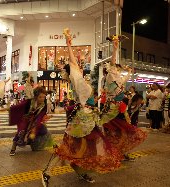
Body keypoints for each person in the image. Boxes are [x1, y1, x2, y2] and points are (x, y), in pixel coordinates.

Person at [42, 29, 123, 186]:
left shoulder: (81, 82)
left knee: (87, 148)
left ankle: (81, 172)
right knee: (69, 148)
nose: (79, 67)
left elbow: (110, 67)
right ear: (72, 72)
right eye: (76, 67)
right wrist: (68, 46)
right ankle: (47, 172)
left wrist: (115, 49)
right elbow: (74, 64)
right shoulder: (78, 81)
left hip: (89, 118)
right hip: (82, 121)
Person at [99, 39, 147, 160]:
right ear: (111, 69)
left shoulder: (119, 80)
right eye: (116, 68)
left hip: (120, 110)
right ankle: (111, 152)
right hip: (111, 110)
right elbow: (113, 62)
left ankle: (121, 152)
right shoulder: (110, 78)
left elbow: (125, 79)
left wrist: (129, 72)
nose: (118, 70)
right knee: (112, 133)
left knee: (123, 132)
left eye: (119, 69)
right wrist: (115, 48)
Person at [9, 86, 54, 156]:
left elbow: (40, 116)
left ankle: (33, 143)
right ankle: (13, 147)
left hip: (35, 120)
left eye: (43, 97)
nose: (42, 99)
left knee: (43, 130)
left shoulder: (43, 105)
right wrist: (10, 108)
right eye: (40, 97)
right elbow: (19, 107)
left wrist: (34, 128)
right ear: (36, 97)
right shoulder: (29, 101)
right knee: (22, 132)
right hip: (24, 119)